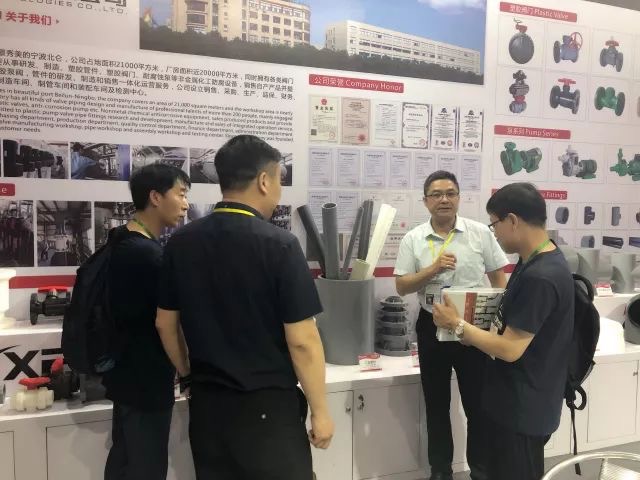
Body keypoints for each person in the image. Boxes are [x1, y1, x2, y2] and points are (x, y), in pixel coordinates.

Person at [155, 134, 334, 480]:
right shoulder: (280, 245)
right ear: (264, 181)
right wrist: (321, 411)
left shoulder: (180, 243)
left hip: (208, 409)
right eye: (279, 180)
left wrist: (189, 374)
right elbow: (302, 340)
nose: (279, 190)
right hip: (267, 411)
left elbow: (165, 324)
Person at [433, 182, 574, 480]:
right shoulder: (533, 260)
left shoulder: (541, 276)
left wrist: (457, 325)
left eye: (494, 224)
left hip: (523, 410)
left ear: (512, 220)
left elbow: (510, 349)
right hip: (513, 402)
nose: (494, 233)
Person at [394, 171, 508, 480]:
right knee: (436, 404)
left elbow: (499, 276)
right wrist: (433, 269)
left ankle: (480, 472)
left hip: (473, 327)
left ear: (459, 198)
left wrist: (497, 322)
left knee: (478, 405)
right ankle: (440, 471)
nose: (444, 199)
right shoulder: (413, 238)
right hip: (431, 325)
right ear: (425, 201)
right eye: (436, 194)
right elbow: (402, 286)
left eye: (450, 193)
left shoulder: (479, 233)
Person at [103, 163, 190, 480]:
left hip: (126, 375)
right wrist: (186, 371)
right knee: (146, 467)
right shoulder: (148, 255)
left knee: (125, 461)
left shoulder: (122, 239)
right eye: (181, 194)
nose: (185, 204)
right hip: (146, 381)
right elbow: (165, 324)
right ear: (155, 197)